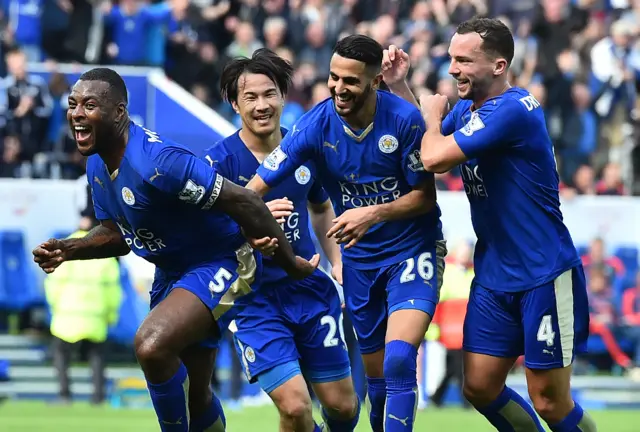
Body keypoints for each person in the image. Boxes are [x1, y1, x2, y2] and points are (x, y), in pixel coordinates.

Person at [32, 67, 319, 432]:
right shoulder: (97, 165)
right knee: (195, 397)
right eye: (73, 104)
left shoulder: (159, 162)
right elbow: (117, 234)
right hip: (172, 273)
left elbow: (245, 200)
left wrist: (290, 263)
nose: (76, 113)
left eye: (89, 105)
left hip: (222, 259)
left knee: (151, 344)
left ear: (118, 112)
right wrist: (70, 249)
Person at [382, 16, 596, 432]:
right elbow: (425, 139)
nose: (452, 69)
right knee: (479, 386)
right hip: (495, 275)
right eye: (451, 58)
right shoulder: (467, 110)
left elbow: (434, 157)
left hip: (543, 273)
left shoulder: (514, 110)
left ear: (498, 66)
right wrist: (399, 87)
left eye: (464, 60)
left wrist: (430, 115)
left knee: (550, 401)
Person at [245, 35, 446, 432]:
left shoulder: (403, 120)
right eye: (333, 78)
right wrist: (253, 217)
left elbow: (424, 197)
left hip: (412, 249)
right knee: (376, 384)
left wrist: (373, 213)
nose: (339, 88)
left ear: (374, 82)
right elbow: (256, 187)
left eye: (350, 81)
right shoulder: (314, 126)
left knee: (399, 360)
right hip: (359, 260)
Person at [203, 48, 358, 432]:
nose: (261, 105)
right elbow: (203, 235)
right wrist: (250, 221)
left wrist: (336, 260)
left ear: (283, 96)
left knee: (343, 409)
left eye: (269, 93)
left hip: (310, 290)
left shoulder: (304, 149)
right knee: (294, 408)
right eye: (250, 97)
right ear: (234, 104)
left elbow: (321, 208)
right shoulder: (218, 164)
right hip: (253, 300)